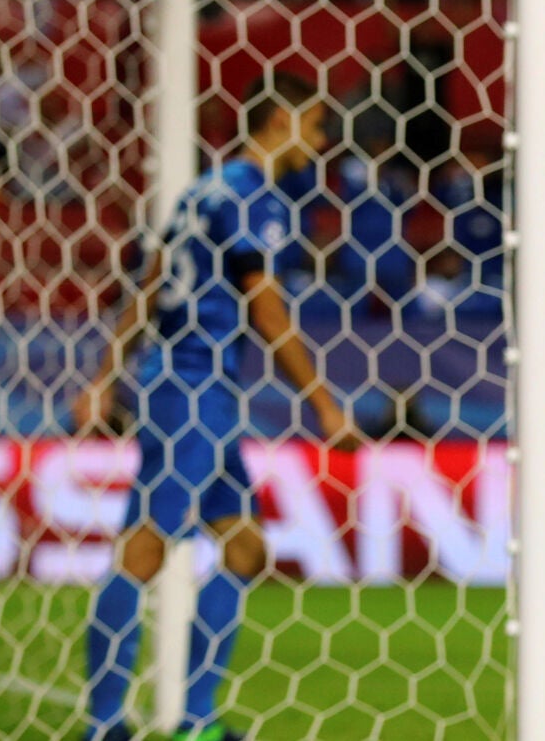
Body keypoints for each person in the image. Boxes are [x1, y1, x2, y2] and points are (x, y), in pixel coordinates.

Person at [75, 72, 356, 741]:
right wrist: (323, 404)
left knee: (244, 544)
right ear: (280, 120)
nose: (317, 145)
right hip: (192, 384)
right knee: (145, 545)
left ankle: (197, 719)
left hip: (193, 383)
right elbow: (264, 304)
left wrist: (108, 372)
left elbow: (148, 286)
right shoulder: (253, 196)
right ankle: (103, 723)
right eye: (313, 127)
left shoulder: (201, 190)